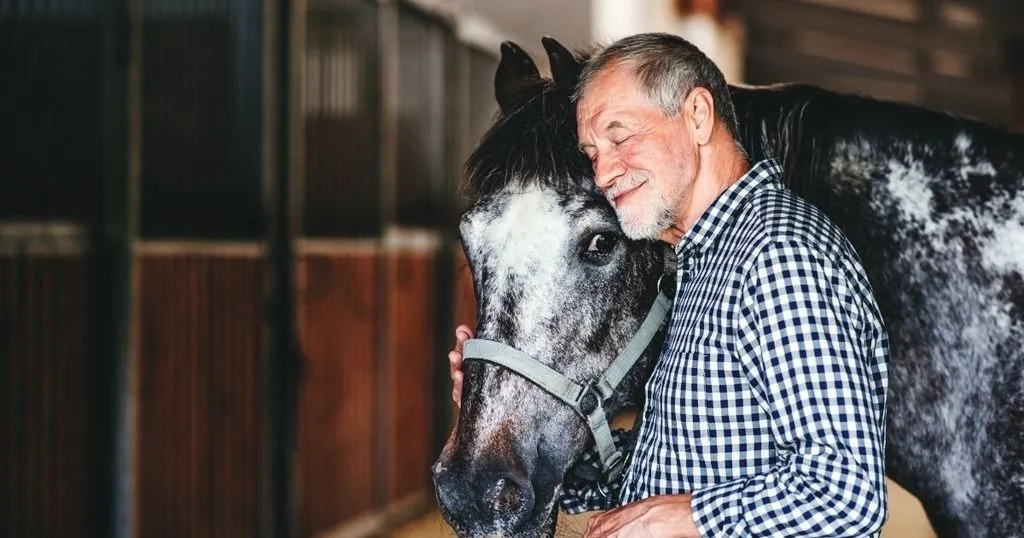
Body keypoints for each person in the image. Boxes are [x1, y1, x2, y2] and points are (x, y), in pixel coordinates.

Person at [449, 33, 890, 537]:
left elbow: (846, 495)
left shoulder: (778, 255)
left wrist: (690, 518)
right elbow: (682, 463)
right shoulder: (703, 261)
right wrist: (514, 416)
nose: (605, 173)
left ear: (698, 116)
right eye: (593, 153)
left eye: (621, 137)